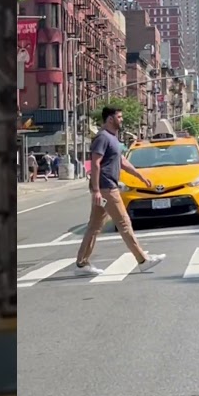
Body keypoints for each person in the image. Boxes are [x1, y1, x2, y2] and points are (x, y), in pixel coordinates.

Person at [73, 106, 166, 275]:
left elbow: (122, 161)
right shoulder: (102, 137)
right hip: (107, 188)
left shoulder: (113, 138)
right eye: (120, 117)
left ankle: (82, 263)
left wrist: (140, 176)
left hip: (105, 188)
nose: (122, 119)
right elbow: (95, 163)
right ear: (110, 119)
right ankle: (142, 259)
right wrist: (96, 190)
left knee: (94, 226)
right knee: (124, 222)